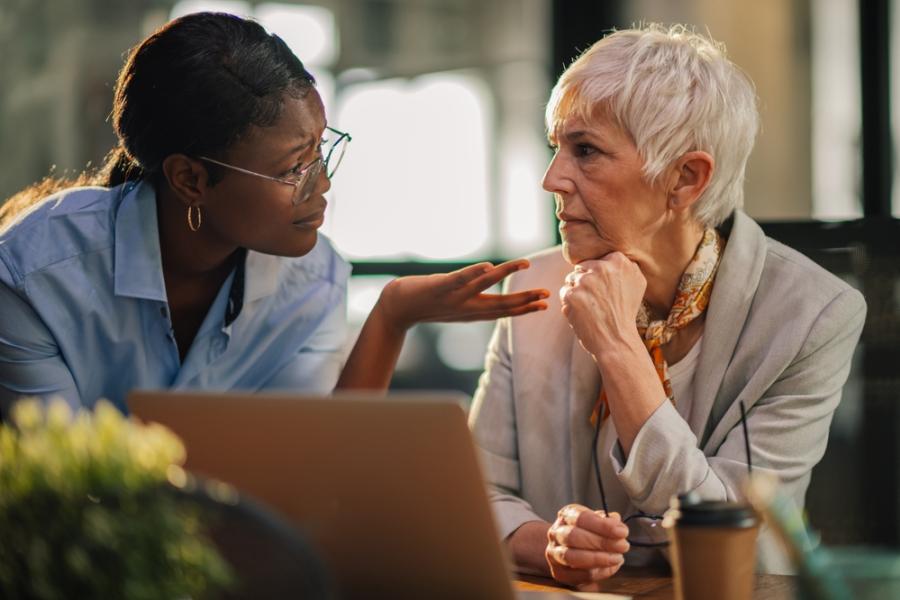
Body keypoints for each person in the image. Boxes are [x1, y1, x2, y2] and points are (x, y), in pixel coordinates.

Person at [468, 24, 866, 587]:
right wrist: (547, 544)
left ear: (685, 178)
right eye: (556, 147)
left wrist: (618, 348)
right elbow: (475, 492)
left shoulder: (813, 316)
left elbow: (744, 547)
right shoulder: (531, 287)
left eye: (585, 151)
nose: (551, 178)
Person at [0, 12, 549, 414]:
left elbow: (306, 472)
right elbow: (66, 496)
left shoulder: (313, 279)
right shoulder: (34, 279)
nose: (324, 183)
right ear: (190, 179)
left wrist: (391, 317)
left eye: (321, 152)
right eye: (293, 170)